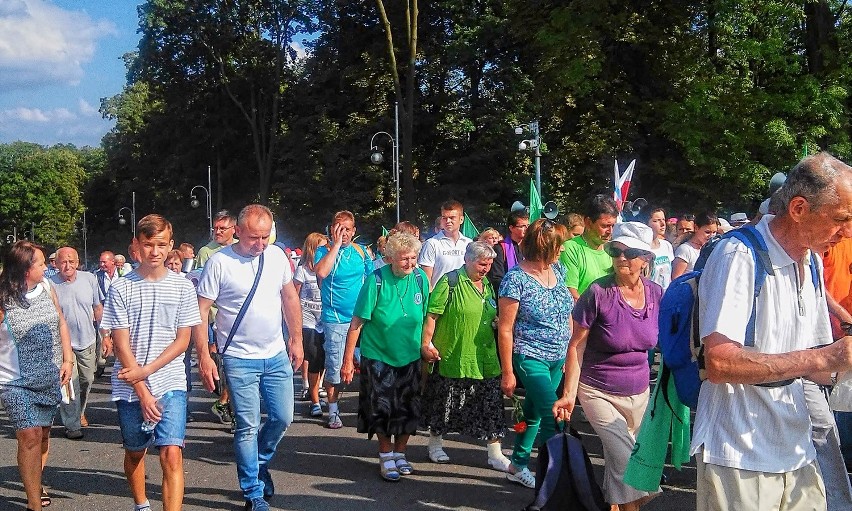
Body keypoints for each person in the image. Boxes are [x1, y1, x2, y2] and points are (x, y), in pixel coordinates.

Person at [691, 152, 852, 511]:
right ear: (798, 209)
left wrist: (839, 360)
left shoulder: (809, 261)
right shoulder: (738, 254)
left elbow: (818, 367)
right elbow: (719, 362)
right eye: (840, 219)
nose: (847, 232)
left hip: (797, 448)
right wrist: (825, 356)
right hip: (739, 455)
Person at [195, 204, 303, 511]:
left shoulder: (276, 256)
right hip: (239, 358)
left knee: (283, 418)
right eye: (253, 237)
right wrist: (204, 354)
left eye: (265, 237)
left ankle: (258, 462)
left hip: (276, 353)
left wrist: (296, 340)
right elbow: (201, 311)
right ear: (237, 232)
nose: (259, 244)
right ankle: (253, 491)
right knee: (247, 425)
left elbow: (289, 297)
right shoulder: (219, 262)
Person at [554, 222, 663, 510]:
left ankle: (613, 505)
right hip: (597, 389)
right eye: (616, 250)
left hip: (639, 391)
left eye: (630, 252)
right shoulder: (598, 293)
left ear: (646, 258)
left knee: (619, 463)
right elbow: (577, 343)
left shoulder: (655, 293)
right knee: (630, 463)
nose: (622, 258)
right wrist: (569, 393)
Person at [101, 215, 201, 511]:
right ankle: (141, 503)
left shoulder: (183, 288)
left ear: (171, 246)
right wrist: (142, 389)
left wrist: (147, 371)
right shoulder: (121, 288)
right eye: (148, 244)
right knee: (135, 452)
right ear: (136, 246)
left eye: (160, 244)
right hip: (131, 388)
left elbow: (183, 341)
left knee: (171, 453)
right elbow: (121, 344)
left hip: (170, 382)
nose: (154, 251)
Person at [340, 233, 430, 481]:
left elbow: (427, 319)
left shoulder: (421, 278)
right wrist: (348, 361)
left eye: (413, 258)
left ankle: (401, 453)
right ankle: (385, 453)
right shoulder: (376, 280)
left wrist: (427, 346)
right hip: (378, 355)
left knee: (408, 408)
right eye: (404, 259)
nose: (410, 264)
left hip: (410, 356)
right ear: (390, 258)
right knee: (382, 409)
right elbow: (356, 322)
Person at [421, 241, 511, 471]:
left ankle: (495, 453)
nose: (486, 269)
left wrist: (496, 321)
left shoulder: (489, 285)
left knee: (491, 405)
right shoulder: (450, 282)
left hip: (485, 356)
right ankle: (435, 445)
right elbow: (432, 315)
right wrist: (426, 344)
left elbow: (491, 311)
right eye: (482, 264)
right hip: (454, 354)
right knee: (445, 402)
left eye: (490, 264)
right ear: (467, 260)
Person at [498, 219, 573, 488]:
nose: (562, 250)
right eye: (559, 245)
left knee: (532, 414)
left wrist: (569, 355)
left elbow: (568, 314)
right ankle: (558, 482)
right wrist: (508, 372)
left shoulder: (559, 270)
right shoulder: (515, 279)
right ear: (545, 247)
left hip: (558, 357)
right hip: (530, 357)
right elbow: (505, 329)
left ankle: (517, 465)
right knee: (553, 418)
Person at [0, 241, 74, 511]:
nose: (48, 266)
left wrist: (68, 358)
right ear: (24, 268)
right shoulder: (2, 297)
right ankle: (34, 505)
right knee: (29, 435)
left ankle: (35, 480)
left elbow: (61, 322)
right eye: (42, 263)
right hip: (14, 382)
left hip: (50, 376)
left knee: (42, 435)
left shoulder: (47, 287)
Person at [314, 210, 373, 430]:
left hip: (361, 317)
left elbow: (371, 281)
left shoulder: (363, 252)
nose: (344, 233)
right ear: (331, 229)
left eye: (348, 229)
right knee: (335, 366)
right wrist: (336, 244)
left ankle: (367, 407)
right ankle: (333, 410)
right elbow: (321, 273)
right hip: (335, 317)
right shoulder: (323, 251)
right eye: (339, 228)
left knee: (370, 363)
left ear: (354, 230)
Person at [50, 246, 103, 437]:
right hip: (64, 344)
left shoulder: (89, 279)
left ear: (78, 262)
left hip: (87, 339)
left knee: (87, 380)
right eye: (63, 262)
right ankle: (72, 425)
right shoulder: (50, 284)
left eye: (71, 261)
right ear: (56, 264)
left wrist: (104, 335)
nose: (67, 265)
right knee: (70, 382)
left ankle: (79, 412)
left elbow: (97, 307)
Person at [193, 210, 238, 425]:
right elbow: (197, 283)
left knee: (233, 362)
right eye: (215, 228)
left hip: (236, 317)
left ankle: (227, 402)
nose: (217, 232)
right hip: (212, 317)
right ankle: (224, 398)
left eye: (222, 228)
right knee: (219, 361)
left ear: (233, 230)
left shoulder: (241, 247)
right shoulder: (205, 252)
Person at [294, 232, 328, 417]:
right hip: (307, 319)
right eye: (321, 248)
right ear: (312, 249)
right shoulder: (302, 271)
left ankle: (317, 387)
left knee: (322, 357)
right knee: (313, 354)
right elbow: (293, 295)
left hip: (325, 319)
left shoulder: (329, 269)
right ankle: (313, 398)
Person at [560, 194, 619, 301]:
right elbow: (571, 293)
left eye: (613, 226)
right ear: (588, 222)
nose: (610, 231)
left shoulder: (614, 249)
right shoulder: (570, 248)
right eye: (605, 226)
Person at [419, 200, 472, 288]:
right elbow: (427, 280)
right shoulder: (432, 243)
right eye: (444, 217)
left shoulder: (469, 243)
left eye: (452, 217)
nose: (448, 221)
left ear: (461, 219)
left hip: (464, 297)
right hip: (440, 298)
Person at [487, 209, 528, 291]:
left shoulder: (530, 247)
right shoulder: (500, 248)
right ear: (511, 228)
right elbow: (496, 277)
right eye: (522, 226)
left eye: (527, 225)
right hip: (508, 294)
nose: (526, 229)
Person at [670, 212, 718, 279]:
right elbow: (676, 279)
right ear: (696, 228)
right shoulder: (685, 249)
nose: (711, 236)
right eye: (707, 232)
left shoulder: (712, 249)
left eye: (714, 232)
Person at [646, 208, 674, 291]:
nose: (662, 224)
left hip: (666, 296)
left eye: (663, 219)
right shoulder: (643, 248)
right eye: (656, 220)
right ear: (646, 223)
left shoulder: (667, 245)